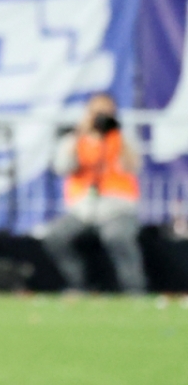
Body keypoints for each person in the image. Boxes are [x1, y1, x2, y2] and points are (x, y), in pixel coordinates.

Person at [43, 94, 147, 295]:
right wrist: (78, 134)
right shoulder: (75, 139)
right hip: (83, 209)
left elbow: (134, 166)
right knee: (54, 236)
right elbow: (62, 167)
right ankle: (78, 284)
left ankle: (134, 289)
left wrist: (118, 135)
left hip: (117, 207)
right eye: (96, 112)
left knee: (116, 236)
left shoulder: (122, 138)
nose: (100, 117)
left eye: (106, 113)